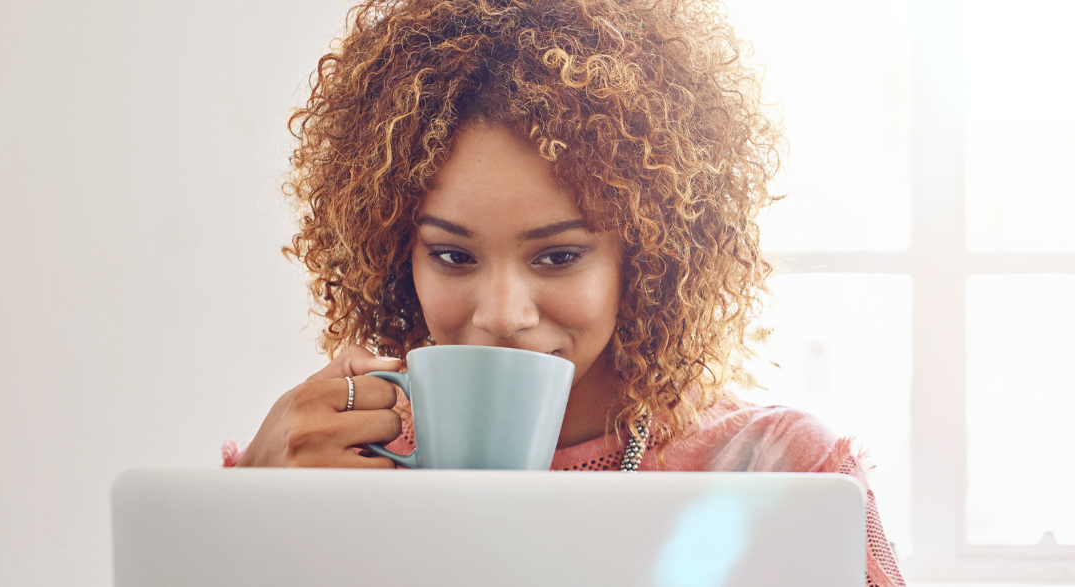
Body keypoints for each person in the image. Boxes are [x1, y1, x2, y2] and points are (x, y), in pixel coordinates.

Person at [226, 0, 905, 584]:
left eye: (557, 255)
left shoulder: (780, 472)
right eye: (453, 254)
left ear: (645, 254)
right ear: (398, 255)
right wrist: (249, 517)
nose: (501, 315)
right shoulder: (328, 465)